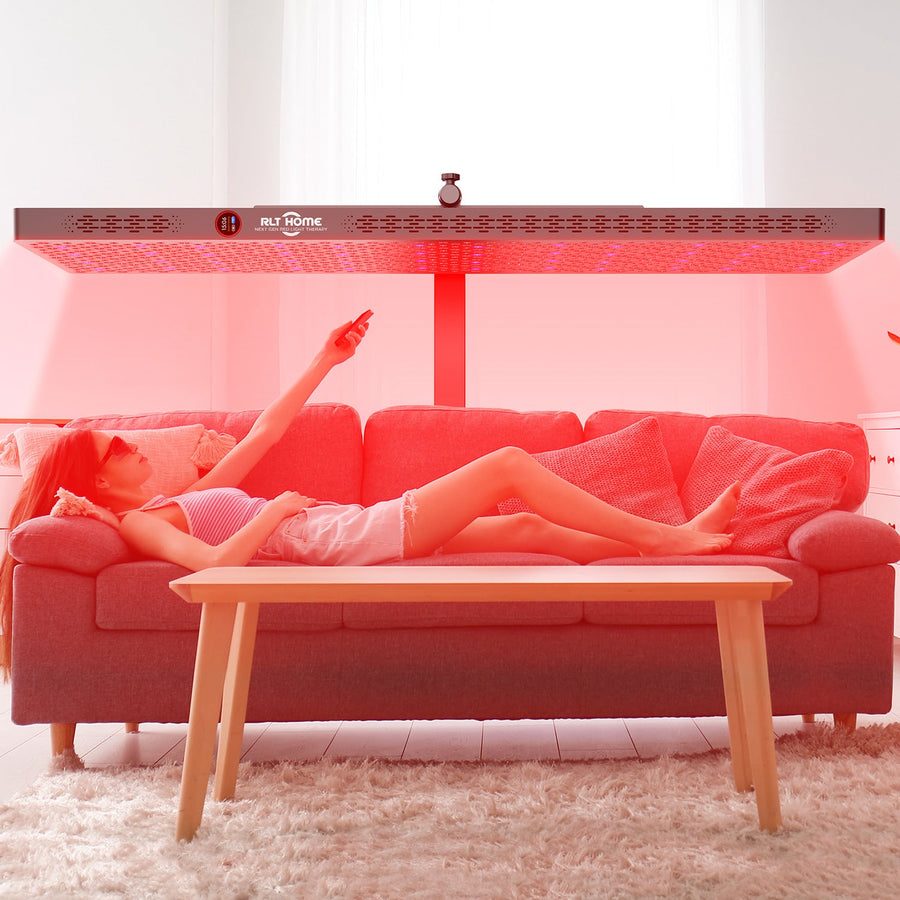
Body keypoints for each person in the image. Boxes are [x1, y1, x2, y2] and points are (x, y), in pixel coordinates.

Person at [0, 316, 738, 679]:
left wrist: (328, 356)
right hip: (337, 540)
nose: (132, 447)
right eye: (116, 450)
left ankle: (678, 539)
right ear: (100, 481)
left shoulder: (182, 495)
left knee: (527, 525)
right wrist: (282, 512)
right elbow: (214, 567)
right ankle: (661, 540)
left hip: (338, 525)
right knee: (509, 462)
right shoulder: (146, 526)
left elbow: (266, 428)